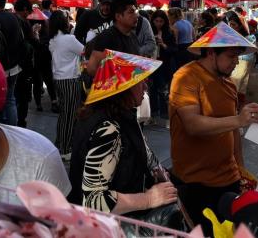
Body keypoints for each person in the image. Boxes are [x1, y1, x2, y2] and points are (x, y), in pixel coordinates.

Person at [69, 50, 185, 233]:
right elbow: (92, 200)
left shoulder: (121, 114)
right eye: (140, 82)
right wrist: (148, 199)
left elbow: (146, 156)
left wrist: (160, 174)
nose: (146, 86)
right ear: (123, 88)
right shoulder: (108, 129)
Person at [169, 22, 258, 235]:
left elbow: (234, 131)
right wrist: (238, 120)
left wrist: (241, 170)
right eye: (231, 56)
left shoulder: (229, 83)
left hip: (229, 179)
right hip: (195, 182)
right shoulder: (185, 77)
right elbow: (192, 125)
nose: (236, 62)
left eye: (238, 56)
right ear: (212, 53)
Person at [48, 10, 84, 161]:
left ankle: (60, 143)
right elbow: (84, 51)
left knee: (64, 114)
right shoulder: (69, 39)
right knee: (69, 115)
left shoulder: (53, 40)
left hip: (58, 79)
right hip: (70, 79)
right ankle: (65, 148)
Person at [86, 0, 140, 76]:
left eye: (136, 12)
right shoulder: (106, 38)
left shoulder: (133, 36)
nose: (136, 16)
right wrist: (116, 78)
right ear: (118, 16)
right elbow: (91, 68)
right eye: (131, 12)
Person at [13, 0, 36, 126]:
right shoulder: (23, 22)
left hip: (11, 66)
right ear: (25, 10)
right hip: (24, 66)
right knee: (23, 98)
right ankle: (21, 122)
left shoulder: (10, 20)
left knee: (12, 97)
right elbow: (32, 44)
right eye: (29, 11)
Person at [149, 10, 177, 120]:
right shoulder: (149, 31)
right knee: (153, 89)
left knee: (163, 90)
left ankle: (165, 115)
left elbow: (174, 49)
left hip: (164, 65)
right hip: (151, 63)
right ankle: (154, 113)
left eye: (161, 21)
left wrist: (163, 45)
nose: (159, 24)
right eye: (156, 21)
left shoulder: (169, 32)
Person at [224, 11, 256, 100]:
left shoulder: (249, 38)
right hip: (239, 65)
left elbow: (247, 57)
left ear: (240, 26)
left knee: (238, 86)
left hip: (243, 64)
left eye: (233, 24)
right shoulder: (232, 36)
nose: (231, 27)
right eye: (230, 24)